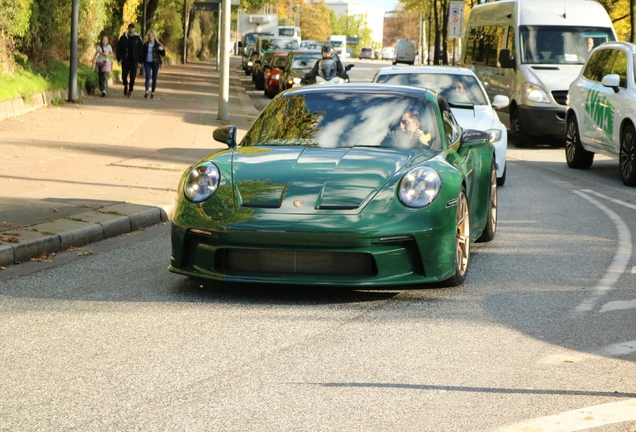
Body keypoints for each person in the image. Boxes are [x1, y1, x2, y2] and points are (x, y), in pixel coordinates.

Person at [116, 23, 143, 98]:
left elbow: (141, 50)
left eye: (133, 28)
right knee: (124, 76)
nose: (131, 29)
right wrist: (119, 59)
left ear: (134, 29)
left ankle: (130, 90)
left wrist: (140, 61)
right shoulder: (123, 38)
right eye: (130, 28)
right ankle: (125, 85)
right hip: (125, 60)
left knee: (132, 77)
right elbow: (119, 49)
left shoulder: (138, 38)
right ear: (128, 29)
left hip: (134, 61)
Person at [142, 31, 166, 99]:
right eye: (150, 35)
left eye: (152, 36)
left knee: (154, 78)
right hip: (147, 62)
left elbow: (163, 54)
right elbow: (142, 53)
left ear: (154, 37)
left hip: (155, 63)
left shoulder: (157, 45)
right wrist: (140, 62)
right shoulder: (146, 44)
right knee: (147, 77)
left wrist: (162, 50)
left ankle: (152, 92)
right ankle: (147, 91)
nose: (151, 37)